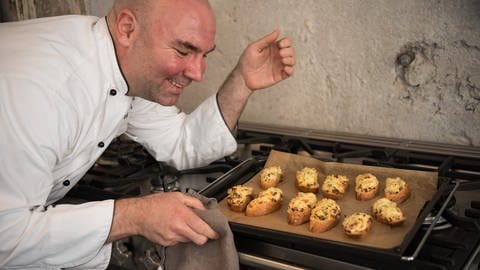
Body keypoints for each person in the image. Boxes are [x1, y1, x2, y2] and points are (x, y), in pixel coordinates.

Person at [0, 0, 295, 269]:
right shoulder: (42, 90)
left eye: (204, 55)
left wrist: (242, 82)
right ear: (127, 28)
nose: (198, 73)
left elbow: (183, 142)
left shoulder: (125, 67)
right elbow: (6, 236)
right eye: (183, 50)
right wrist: (134, 216)